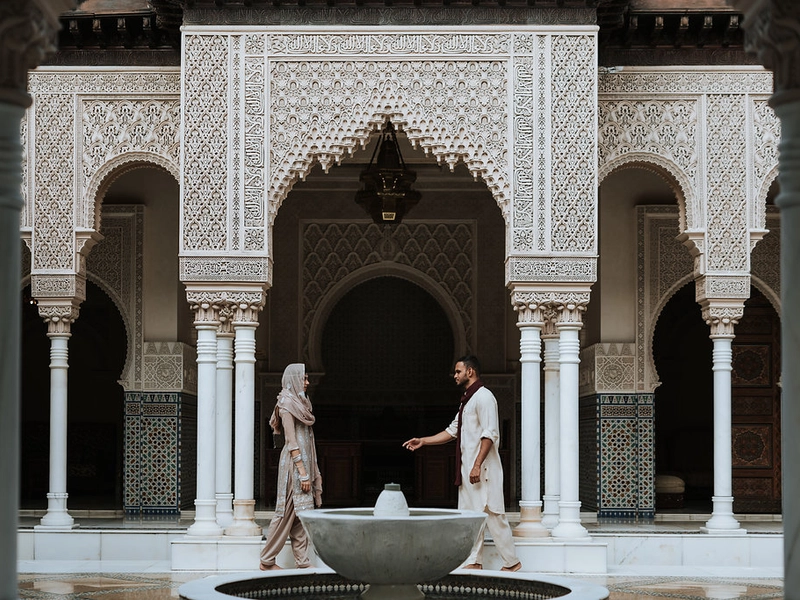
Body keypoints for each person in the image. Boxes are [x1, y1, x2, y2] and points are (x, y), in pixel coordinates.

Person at [403, 355, 521, 572]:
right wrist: (423, 441)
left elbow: (490, 434)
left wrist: (477, 465)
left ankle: (512, 562)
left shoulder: (484, 398)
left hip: (482, 470)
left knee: (493, 514)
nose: (454, 376)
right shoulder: (467, 401)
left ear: (470, 372)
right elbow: (452, 431)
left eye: (458, 371)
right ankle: (474, 561)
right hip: (469, 472)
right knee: (471, 517)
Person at [260, 363, 322, 570]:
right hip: (293, 469)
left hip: (304, 466)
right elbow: (291, 440)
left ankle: (303, 562)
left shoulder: (302, 402)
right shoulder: (286, 404)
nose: (307, 382)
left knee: (301, 514)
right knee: (285, 513)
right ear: (294, 379)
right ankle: (267, 560)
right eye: (304, 378)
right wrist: (303, 473)